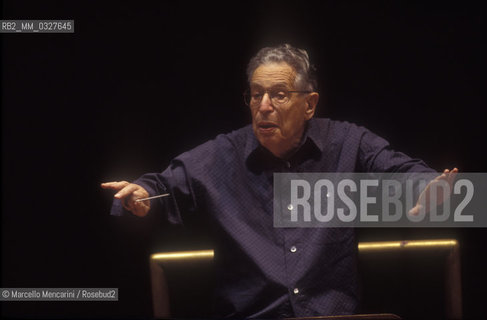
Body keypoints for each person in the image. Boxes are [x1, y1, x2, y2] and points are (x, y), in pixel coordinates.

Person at [101, 44, 457, 318]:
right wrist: (141, 194)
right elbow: (161, 185)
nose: (264, 106)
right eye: (256, 94)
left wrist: (427, 186)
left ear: (309, 104)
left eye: (279, 94)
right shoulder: (221, 154)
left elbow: (400, 170)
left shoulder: (346, 143)